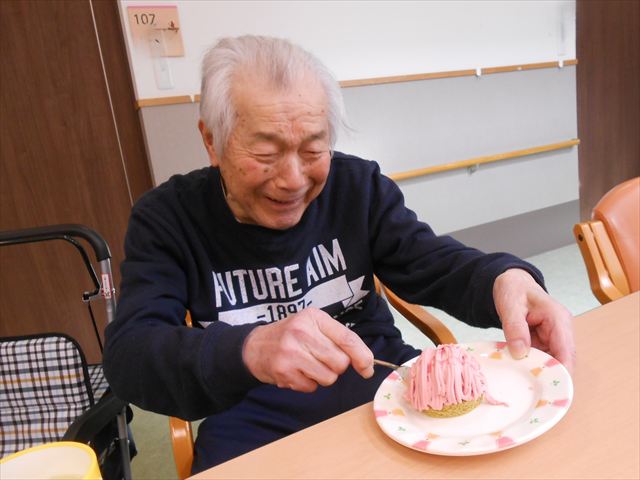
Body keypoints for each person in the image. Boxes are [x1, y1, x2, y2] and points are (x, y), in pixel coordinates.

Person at [103, 35, 575, 473]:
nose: (293, 179)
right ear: (212, 141)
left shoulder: (357, 188)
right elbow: (130, 355)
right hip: (248, 412)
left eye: (313, 150)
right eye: (266, 154)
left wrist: (503, 278)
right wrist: (249, 349)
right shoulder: (168, 218)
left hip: (381, 388)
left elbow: (429, 260)